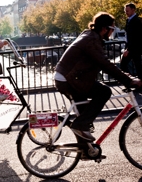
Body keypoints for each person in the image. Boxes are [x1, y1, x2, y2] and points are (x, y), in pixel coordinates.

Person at [54, 12, 142, 142]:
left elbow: (102, 63)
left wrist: (123, 76)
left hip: (67, 78)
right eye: (112, 29)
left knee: (84, 117)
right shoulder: (92, 41)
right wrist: (129, 81)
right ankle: (80, 126)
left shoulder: (90, 35)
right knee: (104, 92)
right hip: (69, 79)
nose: (112, 32)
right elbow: (104, 64)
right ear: (104, 29)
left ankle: (85, 148)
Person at [120, 3, 142, 79]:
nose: (126, 12)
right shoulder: (129, 20)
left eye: (127, 11)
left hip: (134, 48)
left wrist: (128, 49)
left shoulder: (137, 21)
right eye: (125, 11)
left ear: (133, 10)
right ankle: (135, 82)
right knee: (138, 66)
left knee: (124, 65)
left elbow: (136, 37)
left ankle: (130, 82)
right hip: (132, 48)